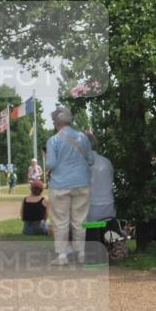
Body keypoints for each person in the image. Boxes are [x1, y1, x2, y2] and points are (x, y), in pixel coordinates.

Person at [45, 107, 95, 265]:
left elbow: (51, 163)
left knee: (60, 221)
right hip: (82, 183)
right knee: (80, 219)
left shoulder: (53, 140)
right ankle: (81, 253)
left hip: (60, 184)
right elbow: (91, 160)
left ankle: (62, 256)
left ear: (55, 123)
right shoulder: (83, 138)